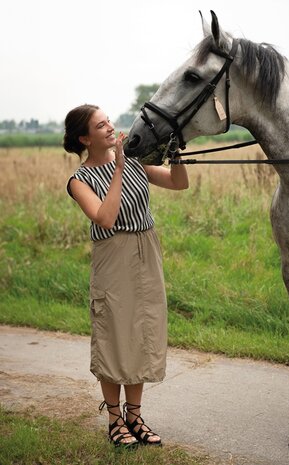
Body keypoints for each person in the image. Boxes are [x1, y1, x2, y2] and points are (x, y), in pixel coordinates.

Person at [64, 104, 189, 448]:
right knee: (114, 335)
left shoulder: (135, 160)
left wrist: (175, 153)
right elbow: (104, 217)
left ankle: (135, 416)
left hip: (147, 250)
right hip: (113, 255)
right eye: (99, 125)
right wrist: (118, 168)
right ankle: (115, 420)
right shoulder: (80, 181)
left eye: (108, 121)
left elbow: (178, 184)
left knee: (143, 331)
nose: (109, 127)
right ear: (84, 138)